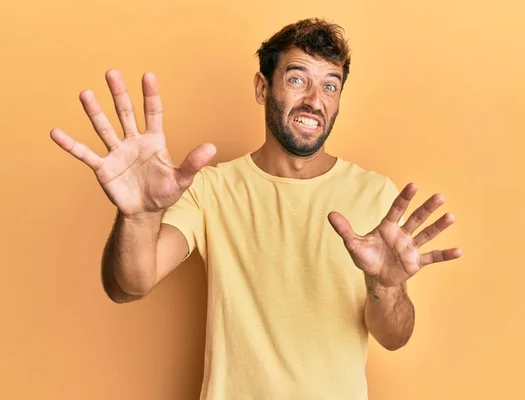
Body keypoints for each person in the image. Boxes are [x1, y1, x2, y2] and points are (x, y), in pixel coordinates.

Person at [50, 18, 461, 400]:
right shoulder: (211, 189)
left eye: (330, 86)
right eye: (297, 78)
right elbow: (128, 285)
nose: (315, 101)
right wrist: (138, 216)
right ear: (263, 88)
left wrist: (386, 286)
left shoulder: (375, 193)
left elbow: (393, 336)